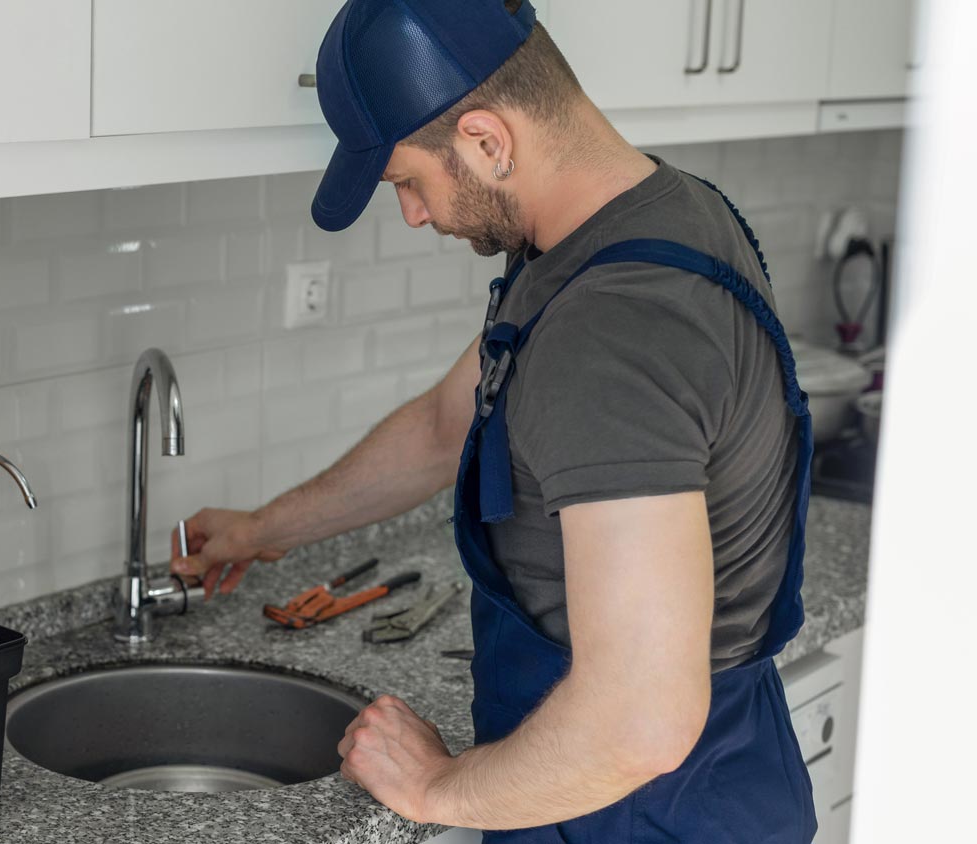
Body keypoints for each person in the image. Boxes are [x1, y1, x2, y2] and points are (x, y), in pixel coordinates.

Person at [169, 1, 818, 841]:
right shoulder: (651, 218)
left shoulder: (611, 330)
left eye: (407, 180)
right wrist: (265, 528)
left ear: (486, 140)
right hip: (690, 778)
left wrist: (437, 789)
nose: (410, 212)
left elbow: (639, 721)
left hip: (633, 805)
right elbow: (450, 423)